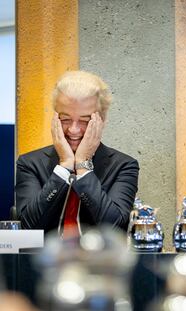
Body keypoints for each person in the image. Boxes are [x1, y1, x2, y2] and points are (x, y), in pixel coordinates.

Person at [15, 71, 139, 235]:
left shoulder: (123, 166)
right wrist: (64, 166)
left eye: (84, 121)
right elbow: (28, 227)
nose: (74, 130)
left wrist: (83, 165)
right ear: (55, 119)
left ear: (102, 121)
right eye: (65, 119)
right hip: (44, 259)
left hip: (100, 259)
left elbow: (115, 228)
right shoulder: (30, 163)